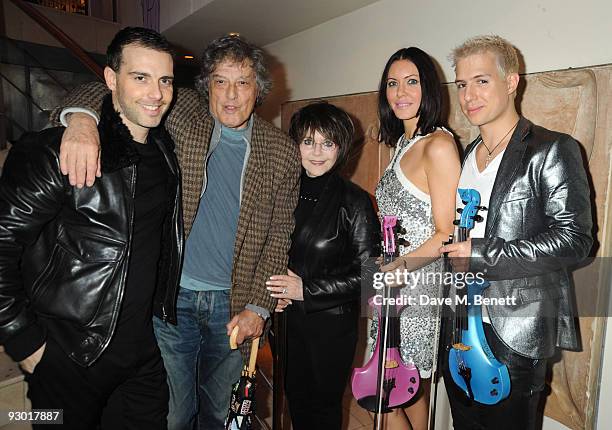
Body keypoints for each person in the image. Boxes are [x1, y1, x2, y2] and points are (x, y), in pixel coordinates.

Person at [50, 34, 301, 430]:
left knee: (220, 414)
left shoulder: (282, 151)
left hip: (233, 307)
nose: (231, 95)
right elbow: (102, 87)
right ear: (207, 87)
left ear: (260, 89)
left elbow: (279, 235)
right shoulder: (182, 111)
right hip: (172, 297)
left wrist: (258, 308)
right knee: (173, 414)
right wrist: (81, 121)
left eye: (243, 82)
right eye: (220, 81)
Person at [0, 27, 180, 429]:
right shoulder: (55, 152)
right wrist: (22, 339)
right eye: (141, 77)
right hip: (70, 355)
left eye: (165, 80)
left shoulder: (165, 152)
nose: (156, 93)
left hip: (141, 353)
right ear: (111, 79)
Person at [439, 35, 592, 429]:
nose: (469, 95)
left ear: (511, 82)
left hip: (515, 332)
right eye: (461, 84)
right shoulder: (464, 156)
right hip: (458, 323)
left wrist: (485, 254)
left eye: (481, 81)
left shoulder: (552, 149)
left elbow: (575, 239)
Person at [268, 102, 380, 429]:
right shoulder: (284, 189)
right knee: (296, 403)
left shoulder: (355, 201)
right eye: (308, 142)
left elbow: (371, 276)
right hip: (286, 321)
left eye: (327, 143)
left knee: (323, 411)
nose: (317, 152)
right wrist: (273, 289)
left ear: (340, 148)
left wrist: (305, 289)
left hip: (329, 329)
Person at [373, 47, 461, 429]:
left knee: (389, 393)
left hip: (415, 287)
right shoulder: (402, 143)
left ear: (429, 88)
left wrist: (398, 268)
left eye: (412, 82)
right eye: (393, 83)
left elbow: (446, 232)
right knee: (400, 392)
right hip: (394, 282)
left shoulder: (438, 145)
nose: (400, 92)